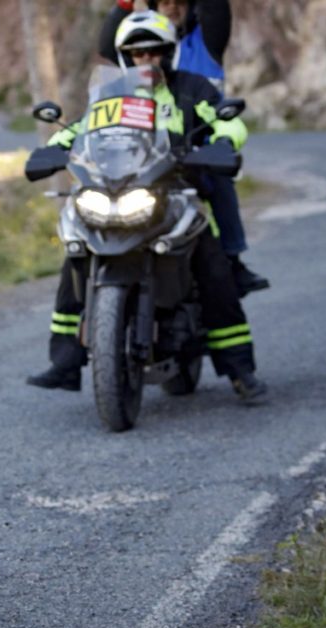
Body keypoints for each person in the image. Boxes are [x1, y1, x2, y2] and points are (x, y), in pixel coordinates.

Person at [27, 11, 267, 403]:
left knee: (213, 269)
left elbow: (226, 121)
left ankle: (240, 371)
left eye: (155, 52)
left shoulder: (192, 88)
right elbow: (80, 129)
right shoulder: (109, 98)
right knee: (76, 258)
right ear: (125, 57)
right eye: (138, 54)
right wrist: (51, 150)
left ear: (168, 54)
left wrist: (223, 142)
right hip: (117, 191)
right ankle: (66, 362)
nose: (147, 61)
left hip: (175, 194)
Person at [99, 0, 268, 297]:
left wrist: (222, 143)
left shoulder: (204, 42)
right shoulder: (140, 43)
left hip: (200, 144)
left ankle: (233, 258)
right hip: (144, 147)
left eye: (179, 2)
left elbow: (216, 9)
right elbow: (108, 45)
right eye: (164, 2)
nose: (172, 7)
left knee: (220, 178)